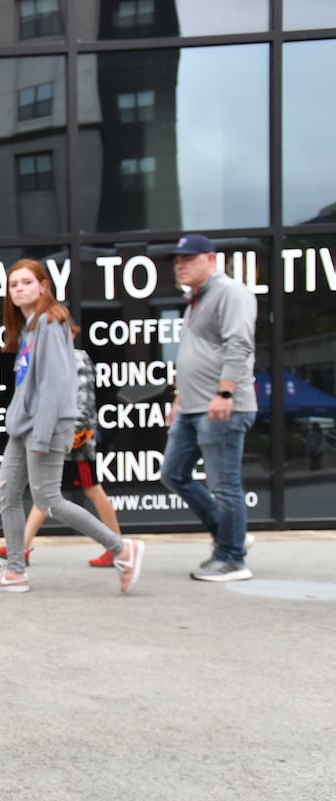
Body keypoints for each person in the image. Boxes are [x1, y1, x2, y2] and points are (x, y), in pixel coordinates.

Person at [0, 259, 144, 594]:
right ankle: (15, 572)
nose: (19, 289)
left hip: (44, 429)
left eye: (26, 282)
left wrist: (41, 434)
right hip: (23, 428)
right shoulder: (30, 326)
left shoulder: (51, 323)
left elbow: (55, 385)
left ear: (43, 286)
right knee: (8, 494)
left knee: (50, 500)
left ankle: (122, 549)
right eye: (13, 285)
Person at [158, 234, 258, 583]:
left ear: (211, 259)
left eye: (188, 258)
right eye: (177, 260)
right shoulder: (195, 300)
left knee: (224, 485)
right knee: (173, 473)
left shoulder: (231, 292)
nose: (180, 264)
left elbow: (239, 344)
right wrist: (179, 396)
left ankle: (232, 558)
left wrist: (225, 394)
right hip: (192, 407)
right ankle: (231, 534)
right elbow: (194, 355)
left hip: (222, 407)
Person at [0, 348, 126, 567]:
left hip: (76, 442)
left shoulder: (76, 356)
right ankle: (22, 546)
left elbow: (84, 397)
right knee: (45, 492)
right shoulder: (52, 355)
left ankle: (118, 548)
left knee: (90, 489)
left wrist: (77, 431)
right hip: (60, 437)